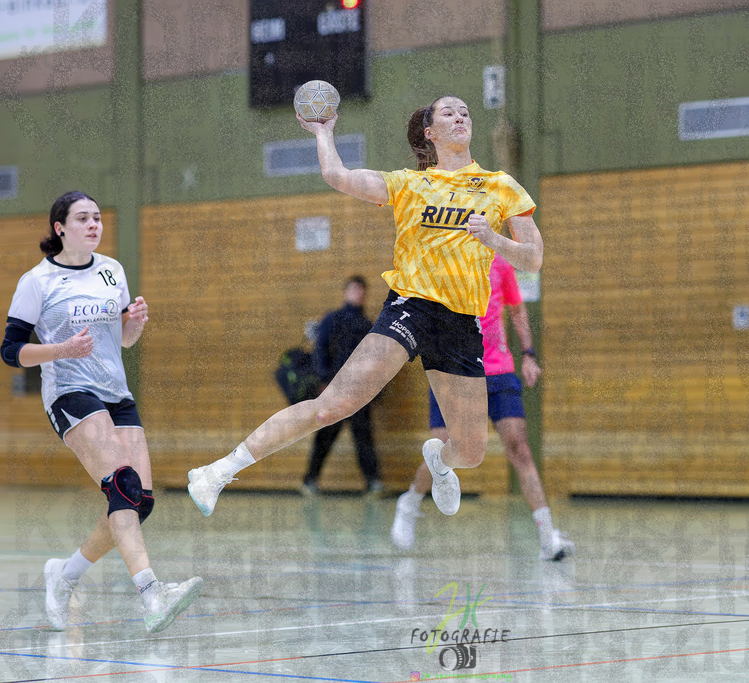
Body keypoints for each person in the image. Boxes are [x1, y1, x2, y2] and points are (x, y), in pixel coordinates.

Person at [188, 95, 544, 521]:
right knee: (332, 405)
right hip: (411, 308)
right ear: (430, 132)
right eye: (448, 112)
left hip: (463, 325)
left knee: (469, 453)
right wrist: (324, 132)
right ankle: (217, 472)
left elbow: (534, 257)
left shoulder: (500, 185)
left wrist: (494, 240)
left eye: (465, 111)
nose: (460, 116)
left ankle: (440, 461)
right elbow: (336, 175)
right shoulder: (410, 184)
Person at [0, 191, 203, 634]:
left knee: (138, 501)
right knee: (124, 486)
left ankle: (65, 574)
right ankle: (152, 595)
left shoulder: (112, 271)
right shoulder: (38, 281)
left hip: (116, 392)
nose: (94, 225)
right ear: (60, 228)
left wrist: (135, 325)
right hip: (70, 393)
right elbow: (11, 351)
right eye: (83, 218)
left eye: (97, 218)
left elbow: (123, 341)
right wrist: (61, 349)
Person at [391, 255, 575, 560]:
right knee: (443, 451)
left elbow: (516, 310)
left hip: (498, 371)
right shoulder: (440, 261)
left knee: (520, 448)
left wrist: (528, 354)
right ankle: (409, 503)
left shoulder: (500, 264)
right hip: (454, 371)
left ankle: (547, 538)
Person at [299, 275, 385, 496]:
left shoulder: (369, 325)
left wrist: (377, 392)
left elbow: (377, 363)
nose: (359, 293)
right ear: (346, 292)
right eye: (354, 289)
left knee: (363, 436)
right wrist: (323, 382)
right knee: (326, 435)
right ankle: (310, 480)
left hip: (360, 393)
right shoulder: (332, 319)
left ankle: (373, 482)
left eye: (362, 290)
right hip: (335, 391)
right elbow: (320, 351)